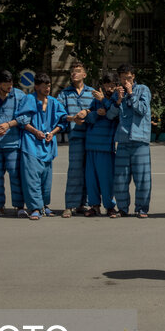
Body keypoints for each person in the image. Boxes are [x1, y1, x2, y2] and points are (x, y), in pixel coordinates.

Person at [0, 70, 34, 218]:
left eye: (11, 83)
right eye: (6, 84)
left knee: (15, 175)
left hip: (14, 144)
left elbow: (26, 117)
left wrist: (8, 125)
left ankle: (19, 206)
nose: (10, 86)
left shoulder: (20, 95)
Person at [107, 64, 152, 217]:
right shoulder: (117, 94)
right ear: (119, 78)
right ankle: (122, 208)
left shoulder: (143, 89)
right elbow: (110, 115)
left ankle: (141, 208)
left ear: (133, 77)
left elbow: (143, 109)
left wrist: (131, 94)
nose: (126, 81)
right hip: (123, 140)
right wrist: (119, 100)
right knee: (120, 178)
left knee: (143, 178)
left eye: (129, 78)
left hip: (140, 140)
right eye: (123, 78)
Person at [20, 73, 66, 220]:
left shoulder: (54, 102)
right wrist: (35, 131)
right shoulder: (29, 99)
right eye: (44, 86)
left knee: (46, 179)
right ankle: (35, 208)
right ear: (36, 86)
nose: (47, 88)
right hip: (31, 143)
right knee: (32, 178)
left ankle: (44, 205)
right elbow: (22, 120)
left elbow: (63, 121)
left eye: (49, 85)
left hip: (48, 144)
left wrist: (52, 133)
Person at [56, 60, 95, 218]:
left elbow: (97, 110)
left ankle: (84, 204)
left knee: (89, 171)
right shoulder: (64, 94)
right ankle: (70, 205)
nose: (74, 73)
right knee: (74, 171)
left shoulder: (92, 92)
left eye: (78, 71)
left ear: (84, 74)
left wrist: (87, 112)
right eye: (72, 71)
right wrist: (73, 119)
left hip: (91, 137)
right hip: (76, 137)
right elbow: (59, 114)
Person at [83, 71, 118, 217]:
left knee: (106, 179)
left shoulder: (117, 99)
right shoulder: (96, 100)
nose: (109, 88)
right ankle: (94, 206)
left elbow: (114, 114)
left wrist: (103, 101)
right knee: (91, 178)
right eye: (107, 85)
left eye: (112, 85)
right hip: (91, 144)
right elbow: (88, 118)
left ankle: (109, 206)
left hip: (106, 146)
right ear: (103, 85)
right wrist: (97, 113)